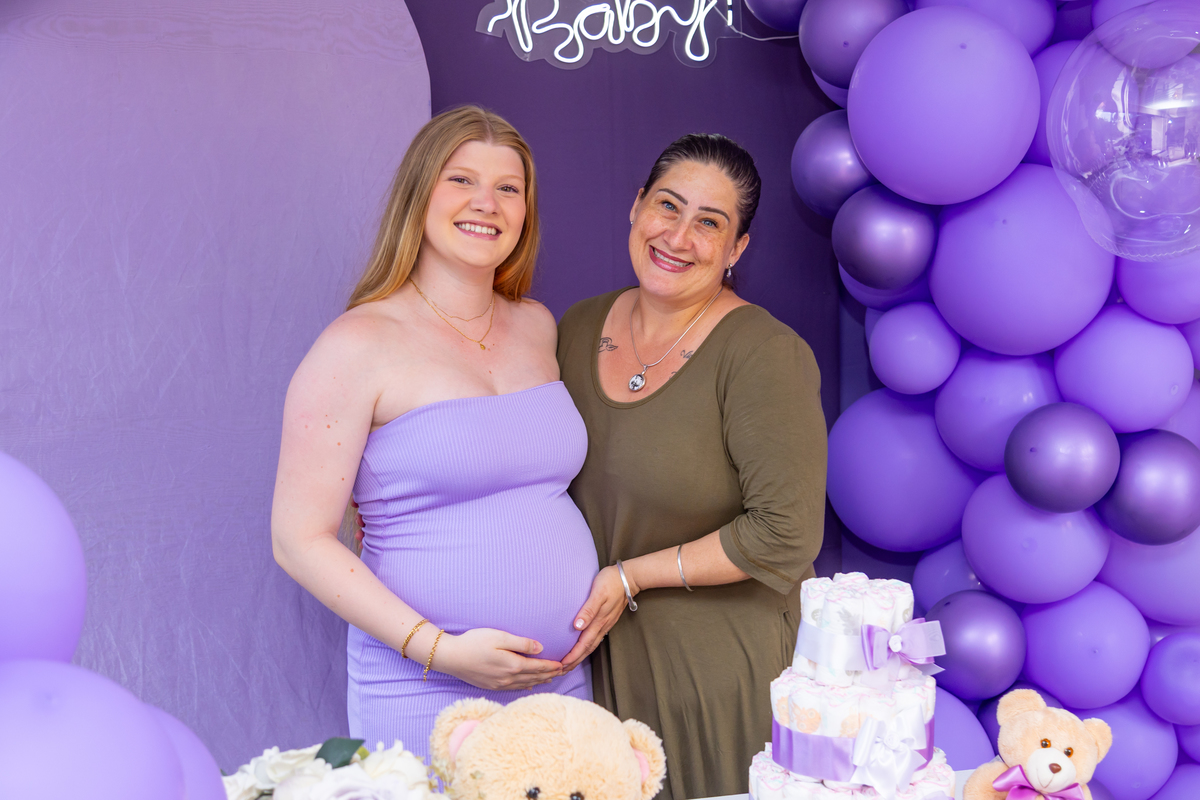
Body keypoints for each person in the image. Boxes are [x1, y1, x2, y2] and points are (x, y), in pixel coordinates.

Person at [270, 106, 598, 759]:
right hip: (422, 688)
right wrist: (441, 650)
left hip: (559, 683)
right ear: (419, 194)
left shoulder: (538, 326)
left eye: (509, 188)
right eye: (462, 180)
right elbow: (297, 540)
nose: (487, 203)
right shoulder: (356, 343)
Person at [555, 134, 828, 800]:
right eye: (668, 206)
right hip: (600, 672)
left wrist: (631, 576)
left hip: (720, 678)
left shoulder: (764, 353)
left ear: (737, 249)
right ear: (636, 205)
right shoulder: (575, 328)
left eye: (709, 223)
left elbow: (786, 534)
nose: (678, 236)